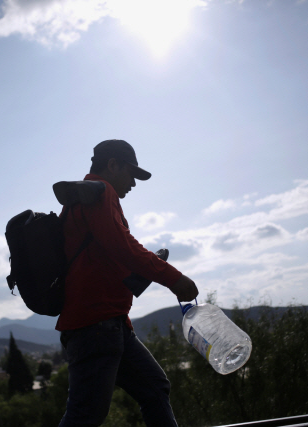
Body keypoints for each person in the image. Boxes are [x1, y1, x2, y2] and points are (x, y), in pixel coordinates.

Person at [56, 139, 199, 427]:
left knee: (155, 388)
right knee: (85, 416)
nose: (133, 183)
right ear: (112, 165)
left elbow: (112, 251)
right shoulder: (100, 192)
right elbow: (122, 245)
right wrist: (174, 278)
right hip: (95, 325)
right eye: (131, 173)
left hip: (111, 324)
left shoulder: (83, 198)